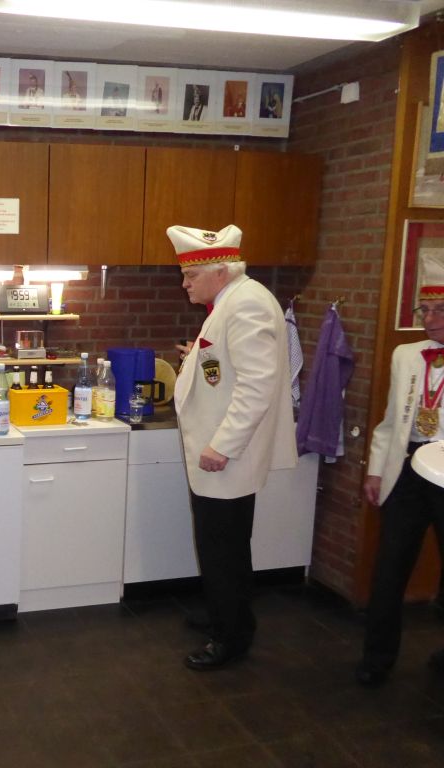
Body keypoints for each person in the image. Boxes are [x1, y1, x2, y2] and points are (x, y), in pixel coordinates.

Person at [168, 223, 297, 671]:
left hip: (226, 455)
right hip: (220, 453)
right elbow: (228, 367)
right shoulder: (232, 300)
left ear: (219, 271)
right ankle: (225, 613)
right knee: (223, 544)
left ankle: (230, 637)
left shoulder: (246, 305)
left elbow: (257, 385)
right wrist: (196, 360)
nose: (185, 284)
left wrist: (222, 445)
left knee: (222, 547)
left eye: (191, 276)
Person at [356, 284, 444, 686]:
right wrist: (376, 470)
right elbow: (391, 420)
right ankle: (377, 658)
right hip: (407, 470)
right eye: (424, 310)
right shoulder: (405, 354)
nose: (430, 319)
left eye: (440, 309)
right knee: (390, 566)